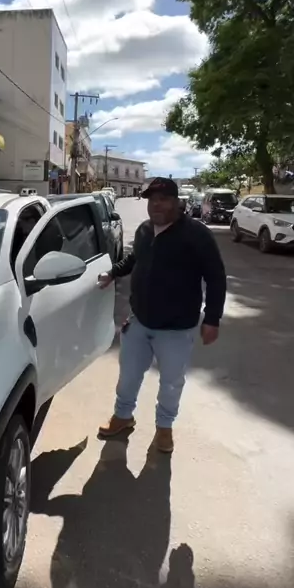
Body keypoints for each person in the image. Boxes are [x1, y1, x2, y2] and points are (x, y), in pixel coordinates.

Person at [98, 177, 227, 453]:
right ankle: (123, 416)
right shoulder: (145, 230)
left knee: (170, 383)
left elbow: (215, 277)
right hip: (139, 321)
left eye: (163, 199)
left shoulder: (197, 234)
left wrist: (212, 319)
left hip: (177, 328)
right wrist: (112, 273)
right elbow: (134, 259)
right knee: (128, 376)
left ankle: (164, 428)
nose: (156, 205)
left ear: (177, 202)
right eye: (152, 200)